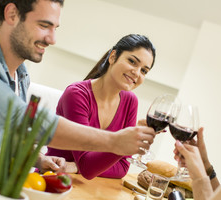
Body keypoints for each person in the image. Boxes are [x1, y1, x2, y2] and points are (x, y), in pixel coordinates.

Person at [0, 0, 155, 173]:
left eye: (55, 28)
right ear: (12, 14)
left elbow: (12, 134)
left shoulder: (21, 74)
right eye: (44, 25)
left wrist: (38, 159)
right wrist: (113, 142)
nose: (52, 39)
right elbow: (23, 119)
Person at [46, 34, 156, 179]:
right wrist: (124, 144)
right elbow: (88, 168)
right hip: (52, 180)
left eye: (144, 71)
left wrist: (76, 166)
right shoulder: (77, 94)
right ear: (113, 56)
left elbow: (122, 168)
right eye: (132, 61)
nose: (136, 73)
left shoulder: (130, 101)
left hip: (92, 187)